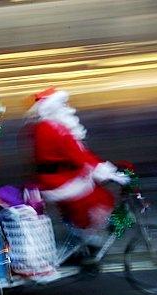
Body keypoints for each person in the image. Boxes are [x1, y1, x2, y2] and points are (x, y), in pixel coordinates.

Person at [21, 87, 129, 240]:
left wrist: (103, 169)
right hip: (61, 181)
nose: (68, 109)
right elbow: (78, 156)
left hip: (60, 178)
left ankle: (85, 239)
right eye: (63, 105)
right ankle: (89, 239)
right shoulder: (54, 129)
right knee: (100, 201)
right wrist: (106, 172)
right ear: (53, 108)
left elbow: (80, 155)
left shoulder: (47, 127)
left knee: (94, 197)